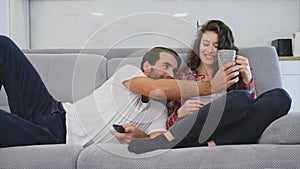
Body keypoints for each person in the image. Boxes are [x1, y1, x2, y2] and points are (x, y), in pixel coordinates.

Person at [0, 35, 238, 147]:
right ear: (146, 66)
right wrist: (209, 86)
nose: (169, 74)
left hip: (56, 137)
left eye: (173, 72)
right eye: (165, 66)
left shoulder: (159, 113)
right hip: (53, 109)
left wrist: (138, 136)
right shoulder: (128, 74)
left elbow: (157, 142)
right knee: (3, 45)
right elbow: (154, 87)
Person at [127, 20, 292, 154]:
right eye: (206, 44)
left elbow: (254, 112)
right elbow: (166, 123)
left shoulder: (233, 76)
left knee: (281, 97)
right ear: (199, 45)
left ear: (225, 50)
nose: (210, 50)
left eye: (217, 46)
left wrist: (247, 79)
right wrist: (179, 113)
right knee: (241, 98)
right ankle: (176, 142)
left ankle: (212, 144)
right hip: (194, 131)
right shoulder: (182, 78)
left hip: (230, 129)